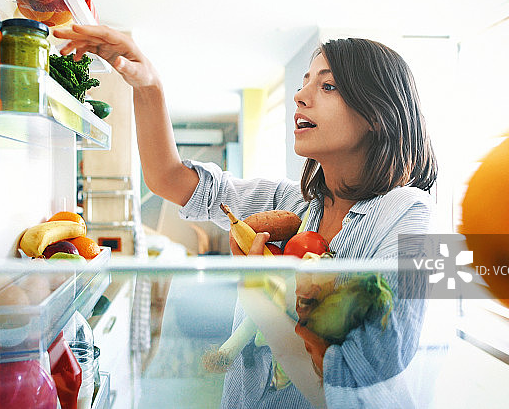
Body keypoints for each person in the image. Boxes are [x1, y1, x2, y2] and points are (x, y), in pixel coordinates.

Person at [54, 25, 438, 408]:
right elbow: (168, 178)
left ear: (377, 113)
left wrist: (258, 294)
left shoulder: (410, 213)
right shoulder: (292, 201)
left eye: (328, 86)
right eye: (305, 82)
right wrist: (147, 84)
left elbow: (363, 371)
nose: (300, 96)